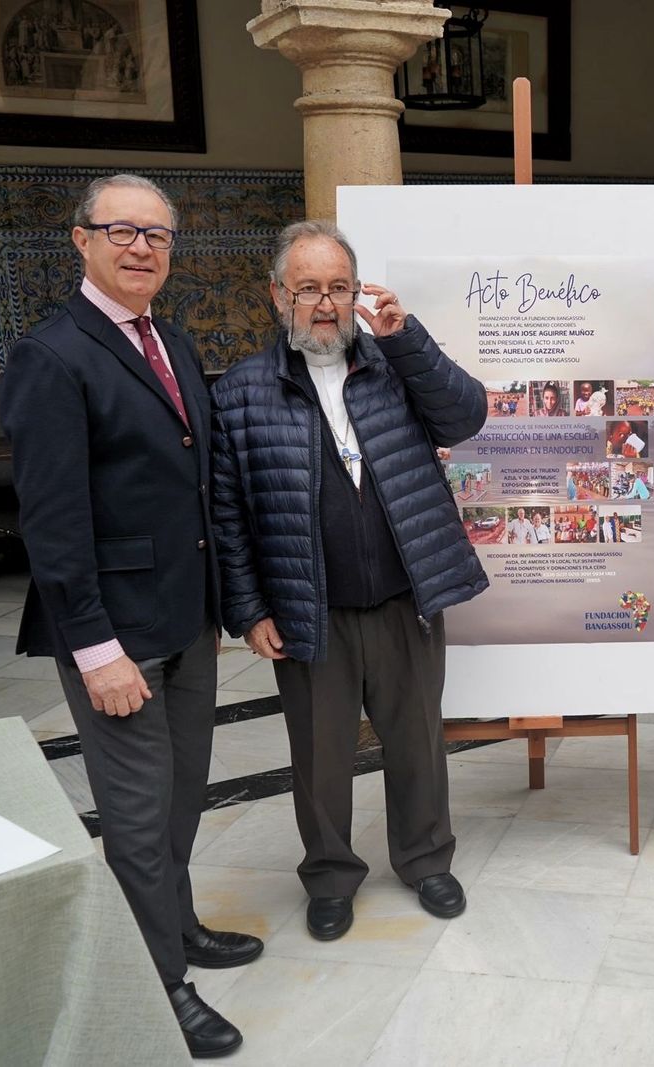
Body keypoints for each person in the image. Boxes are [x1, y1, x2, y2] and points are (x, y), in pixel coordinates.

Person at [0, 173, 259, 1059]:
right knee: (138, 814)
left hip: (184, 618)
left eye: (158, 234)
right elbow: (54, 519)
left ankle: (177, 926)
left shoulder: (172, 343)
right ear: (82, 241)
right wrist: (95, 647)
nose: (142, 247)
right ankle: (160, 983)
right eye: (122, 230)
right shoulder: (53, 354)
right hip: (114, 635)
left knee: (182, 795)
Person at [211, 220, 489, 942]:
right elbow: (229, 513)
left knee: (418, 740)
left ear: (357, 292)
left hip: (405, 597)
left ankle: (427, 858)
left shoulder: (395, 364)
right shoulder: (242, 391)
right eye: (308, 289)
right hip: (311, 607)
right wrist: (247, 609)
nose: (326, 304)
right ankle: (331, 876)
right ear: (278, 296)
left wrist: (408, 337)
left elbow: (467, 413)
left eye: (339, 287)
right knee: (320, 755)